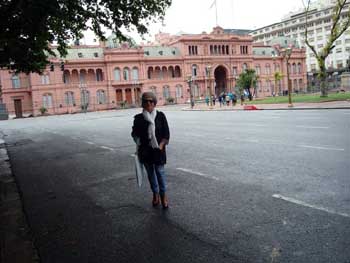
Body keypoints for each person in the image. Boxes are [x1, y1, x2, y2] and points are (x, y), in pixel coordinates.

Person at [131, 92, 170, 209]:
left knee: (160, 173)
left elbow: (166, 135)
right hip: (145, 152)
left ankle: (163, 195)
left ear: (154, 102)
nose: (149, 103)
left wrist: (161, 145)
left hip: (158, 151)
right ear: (142, 103)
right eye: (146, 101)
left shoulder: (161, 116)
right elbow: (134, 133)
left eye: (151, 101)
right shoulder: (138, 119)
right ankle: (155, 194)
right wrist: (137, 140)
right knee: (151, 175)